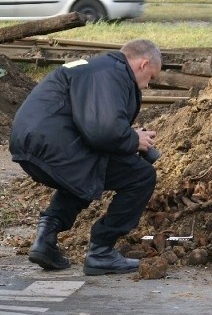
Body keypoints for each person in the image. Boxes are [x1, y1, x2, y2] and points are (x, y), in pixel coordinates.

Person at [9, 39, 162, 275]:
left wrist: (128, 137)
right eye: (151, 78)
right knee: (141, 176)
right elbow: (102, 130)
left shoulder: (98, 68)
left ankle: (45, 239)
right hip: (52, 144)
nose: (147, 86)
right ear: (143, 64)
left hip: (32, 144)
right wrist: (133, 140)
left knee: (88, 172)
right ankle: (101, 251)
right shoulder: (111, 74)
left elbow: (96, 126)